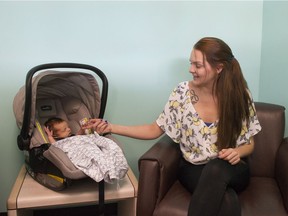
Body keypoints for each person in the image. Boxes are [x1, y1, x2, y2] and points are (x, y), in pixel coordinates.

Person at [86, 37, 262, 216]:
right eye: (191, 63)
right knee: (227, 199)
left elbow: (249, 144)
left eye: (197, 65)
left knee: (217, 167)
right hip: (194, 168)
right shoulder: (182, 93)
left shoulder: (240, 96)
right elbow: (154, 129)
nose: (190, 69)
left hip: (231, 168)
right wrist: (111, 127)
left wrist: (237, 152)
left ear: (219, 68)